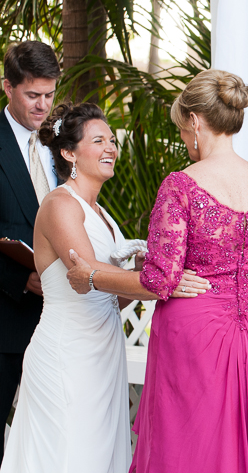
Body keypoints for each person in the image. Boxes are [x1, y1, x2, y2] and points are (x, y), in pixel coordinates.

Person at [66, 69, 248, 473]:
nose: (181, 138)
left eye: (180, 128)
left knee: (192, 446)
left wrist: (91, 275)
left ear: (195, 121)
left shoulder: (181, 185)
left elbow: (160, 279)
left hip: (197, 330)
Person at [1, 102, 203, 472]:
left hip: (106, 352)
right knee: (69, 457)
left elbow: (109, 295)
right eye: (99, 140)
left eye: (112, 139)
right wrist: (162, 281)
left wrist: (143, 275)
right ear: (68, 152)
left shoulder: (103, 214)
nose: (111, 147)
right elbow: (90, 271)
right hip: (67, 353)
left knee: (100, 457)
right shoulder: (60, 204)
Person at [0, 41, 60, 464]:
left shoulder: (62, 145)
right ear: (7, 87)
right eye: (32, 95)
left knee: (49, 436)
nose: (42, 106)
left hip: (59, 319)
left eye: (49, 94)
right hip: (5, 316)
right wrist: (20, 278)